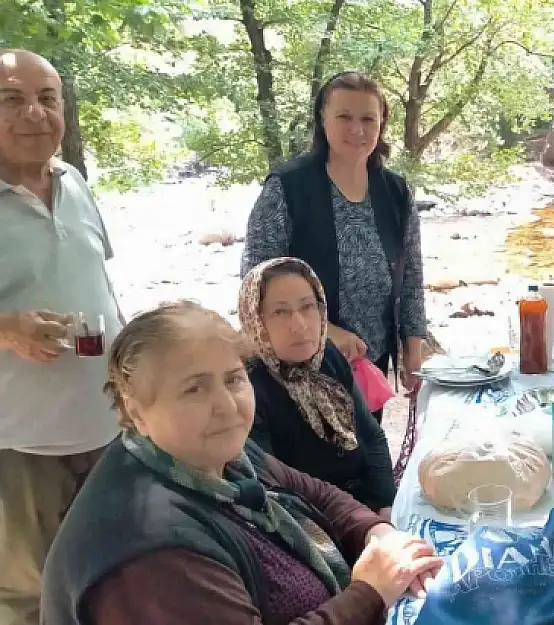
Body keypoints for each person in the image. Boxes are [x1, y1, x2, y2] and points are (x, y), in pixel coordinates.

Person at [41, 301, 442, 624]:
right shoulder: (152, 556)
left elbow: (318, 494)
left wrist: (377, 534)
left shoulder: (217, 456)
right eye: (194, 388)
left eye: (233, 379)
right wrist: (368, 594)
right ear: (137, 411)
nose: (227, 405)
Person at [0, 49, 125, 625]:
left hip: (104, 431)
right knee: (28, 596)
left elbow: (99, 284)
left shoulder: (74, 182)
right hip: (19, 447)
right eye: (11, 99)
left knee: (108, 574)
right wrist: (7, 328)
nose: (34, 113)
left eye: (47, 98)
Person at [242, 71, 427, 406]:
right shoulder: (287, 188)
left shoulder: (396, 192)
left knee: (366, 450)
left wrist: (414, 345)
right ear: (322, 120)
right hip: (302, 363)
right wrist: (326, 331)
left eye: (368, 119)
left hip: (372, 361)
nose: (357, 130)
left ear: (381, 126)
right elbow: (255, 282)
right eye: (344, 117)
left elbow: (411, 276)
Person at [240, 257, 397, 514]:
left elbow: (371, 436)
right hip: (314, 524)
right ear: (256, 320)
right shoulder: (248, 387)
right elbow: (272, 490)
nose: (300, 325)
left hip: (366, 509)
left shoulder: (328, 357)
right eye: (280, 312)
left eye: (307, 307)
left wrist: (385, 505)